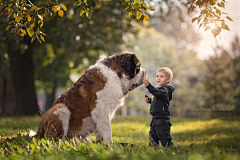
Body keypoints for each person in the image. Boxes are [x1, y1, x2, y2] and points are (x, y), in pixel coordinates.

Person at [143, 67, 175, 148]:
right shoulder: (160, 90)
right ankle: (154, 152)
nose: (158, 78)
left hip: (162, 121)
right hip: (155, 119)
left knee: (165, 140)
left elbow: (157, 93)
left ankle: (172, 151)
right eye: (157, 76)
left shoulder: (166, 90)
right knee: (152, 139)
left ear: (168, 79)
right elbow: (158, 101)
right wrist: (150, 100)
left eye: (161, 76)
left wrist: (148, 86)